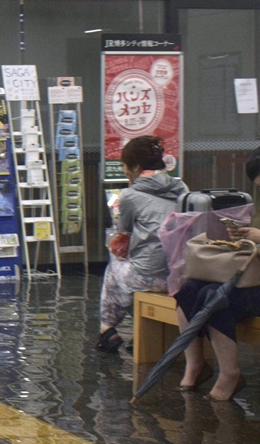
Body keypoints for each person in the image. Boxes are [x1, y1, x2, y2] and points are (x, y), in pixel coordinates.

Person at [176, 149, 260, 400]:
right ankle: (195, 363)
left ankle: (230, 374)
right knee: (189, 289)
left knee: (214, 295)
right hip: (252, 276)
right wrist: (242, 236)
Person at [97, 136, 189, 353]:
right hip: (180, 275)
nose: (124, 170)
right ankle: (120, 333)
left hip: (149, 276)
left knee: (115, 263)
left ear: (136, 167)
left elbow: (123, 236)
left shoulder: (130, 195)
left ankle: (107, 329)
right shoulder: (182, 187)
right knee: (125, 278)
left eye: (125, 166)